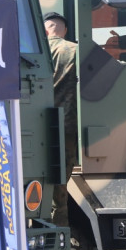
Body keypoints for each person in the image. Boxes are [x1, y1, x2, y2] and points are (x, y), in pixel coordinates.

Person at [45, 11, 78, 227]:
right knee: (60, 187)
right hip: (66, 127)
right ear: (64, 30)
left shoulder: (29, 52)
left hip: (32, 126)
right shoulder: (76, 50)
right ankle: (58, 233)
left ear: (45, 29)